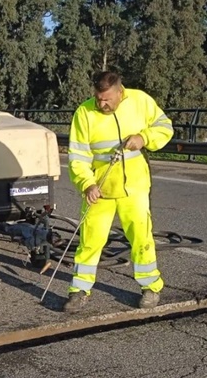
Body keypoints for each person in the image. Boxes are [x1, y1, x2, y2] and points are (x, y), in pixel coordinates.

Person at [64, 71, 173, 312]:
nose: (102, 104)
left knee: (141, 238)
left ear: (120, 92)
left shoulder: (140, 100)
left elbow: (165, 126)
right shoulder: (84, 113)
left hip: (134, 186)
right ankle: (79, 290)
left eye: (107, 99)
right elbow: (78, 156)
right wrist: (86, 184)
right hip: (99, 188)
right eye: (98, 98)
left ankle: (150, 287)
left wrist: (145, 138)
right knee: (90, 241)